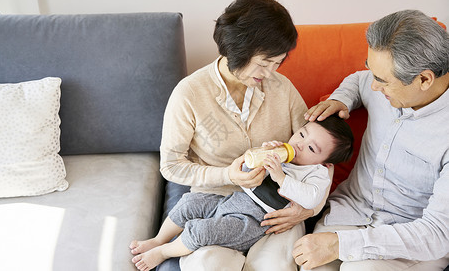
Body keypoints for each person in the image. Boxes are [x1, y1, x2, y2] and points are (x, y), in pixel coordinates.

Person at [130, 0, 331, 271]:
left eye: (278, 62)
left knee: (275, 267)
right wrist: (227, 174)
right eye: (264, 62)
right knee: (207, 266)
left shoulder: (282, 89)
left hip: (274, 209)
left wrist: (307, 210)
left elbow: (320, 156)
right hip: (216, 203)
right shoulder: (189, 93)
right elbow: (172, 166)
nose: (271, 73)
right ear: (238, 49)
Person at [293, 9, 449, 271]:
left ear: (424, 79)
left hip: (409, 241)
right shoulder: (383, 85)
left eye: (382, 80)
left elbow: (436, 234)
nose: (374, 87)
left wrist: (340, 245)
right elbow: (359, 80)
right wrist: (341, 98)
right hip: (349, 211)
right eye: (372, 71)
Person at [130, 116, 354, 271]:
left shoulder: (316, 174)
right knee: (191, 202)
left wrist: (281, 178)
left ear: (325, 163)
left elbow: (312, 198)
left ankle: (165, 252)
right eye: (302, 134)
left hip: (253, 220)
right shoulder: (282, 152)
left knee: (203, 230)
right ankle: (159, 239)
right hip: (235, 198)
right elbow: (246, 181)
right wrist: (259, 156)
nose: (300, 145)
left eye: (312, 149)